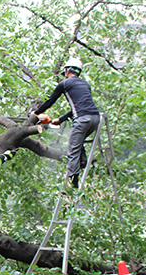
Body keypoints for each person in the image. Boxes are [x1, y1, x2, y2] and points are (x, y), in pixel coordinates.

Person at [33, 57, 101, 188]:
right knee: (78, 141)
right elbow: (81, 105)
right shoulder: (85, 84)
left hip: (82, 120)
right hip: (95, 119)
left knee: (73, 148)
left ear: (68, 70)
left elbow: (50, 101)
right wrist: (61, 119)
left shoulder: (64, 84)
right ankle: (83, 160)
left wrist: (36, 112)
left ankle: (73, 183)